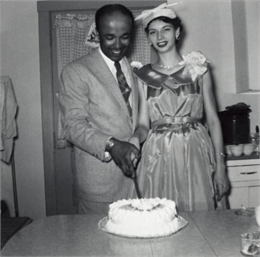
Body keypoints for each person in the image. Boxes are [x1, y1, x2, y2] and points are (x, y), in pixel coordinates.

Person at [128, 3, 230, 211]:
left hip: (195, 151)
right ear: (148, 38)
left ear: (177, 32)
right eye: (153, 32)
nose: (160, 36)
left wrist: (221, 167)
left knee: (201, 215)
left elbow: (212, 120)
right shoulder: (143, 76)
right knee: (160, 218)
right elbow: (143, 125)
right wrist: (133, 139)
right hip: (157, 154)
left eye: (166, 29)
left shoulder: (198, 69)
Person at [58, 4, 142, 214]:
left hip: (140, 182)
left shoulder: (136, 71)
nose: (118, 44)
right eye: (109, 36)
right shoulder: (76, 71)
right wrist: (112, 145)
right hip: (100, 187)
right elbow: (72, 126)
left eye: (124, 36)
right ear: (97, 32)